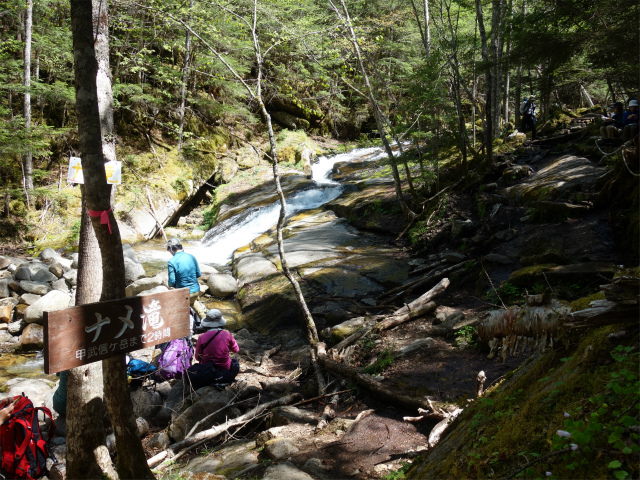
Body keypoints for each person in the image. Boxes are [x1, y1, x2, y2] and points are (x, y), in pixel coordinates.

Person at [187, 309, 240, 389]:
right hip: (225, 370)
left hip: (207, 371)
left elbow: (197, 357)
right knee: (235, 364)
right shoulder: (227, 335)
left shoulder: (202, 337)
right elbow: (236, 350)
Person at [167, 237, 207, 321]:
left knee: (178, 308)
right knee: (193, 303)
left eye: (168, 250)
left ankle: (184, 328)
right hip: (196, 291)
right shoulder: (191, 257)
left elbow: (171, 281)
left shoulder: (171, 261)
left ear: (171, 248)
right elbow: (198, 274)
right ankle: (205, 322)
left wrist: (173, 285)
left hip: (184, 294)